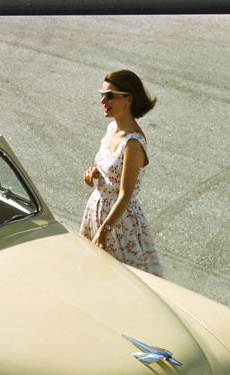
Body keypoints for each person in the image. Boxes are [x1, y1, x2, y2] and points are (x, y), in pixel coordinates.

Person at [79, 69, 164, 277]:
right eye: (102, 95)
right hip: (97, 211)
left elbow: (125, 194)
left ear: (129, 99)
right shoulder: (111, 129)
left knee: (124, 279)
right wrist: (95, 173)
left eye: (109, 96)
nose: (103, 101)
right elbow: (111, 170)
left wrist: (105, 230)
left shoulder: (133, 142)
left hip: (119, 222)